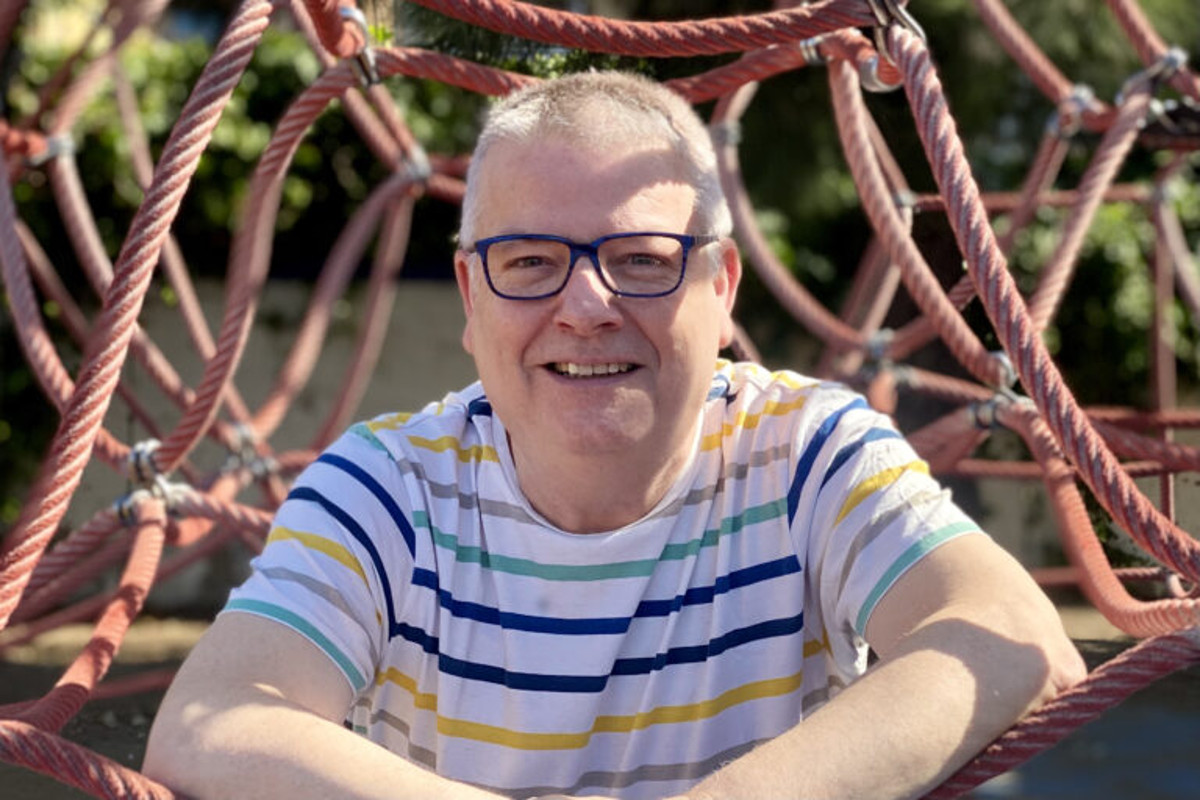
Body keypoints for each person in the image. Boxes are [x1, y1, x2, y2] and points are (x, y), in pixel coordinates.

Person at [143, 71, 1084, 800]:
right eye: (529, 262)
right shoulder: (387, 488)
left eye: (641, 260)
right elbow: (211, 721)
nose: (586, 306)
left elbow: (1011, 636)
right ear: (471, 297)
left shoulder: (805, 452)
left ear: (721, 288)